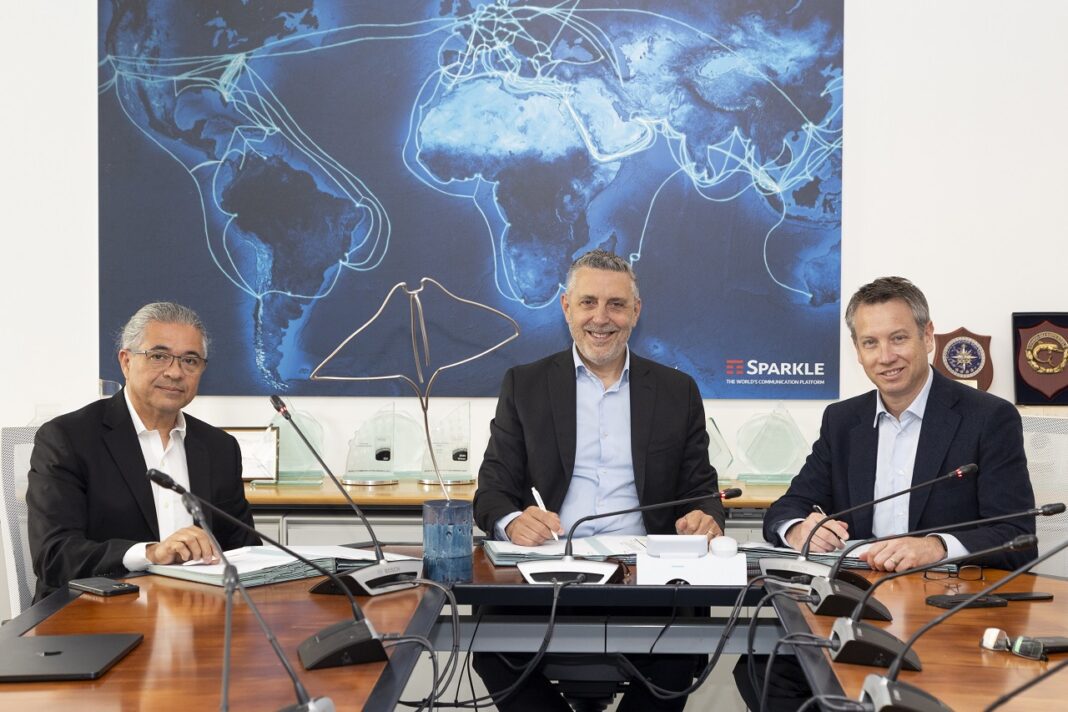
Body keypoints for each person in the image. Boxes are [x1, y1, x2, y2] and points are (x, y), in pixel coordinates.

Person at [735, 276, 1036, 711]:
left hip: (947, 612)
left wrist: (935, 547)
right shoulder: (843, 421)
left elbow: (1017, 536)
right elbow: (787, 507)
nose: (886, 356)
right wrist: (799, 529)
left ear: (928, 337)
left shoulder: (988, 418)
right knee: (761, 669)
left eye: (898, 338)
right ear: (857, 351)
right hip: (857, 607)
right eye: (870, 343)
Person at [472, 249, 725, 711]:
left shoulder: (677, 391)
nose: (601, 318)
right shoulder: (524, 385)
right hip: (545, 576)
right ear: (566, 307)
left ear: (636, 311)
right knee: (493, 650)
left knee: (679, 653)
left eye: (616, 305)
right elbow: (492, 492)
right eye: (588, 302)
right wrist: (512, 522)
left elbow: (702, 492)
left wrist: (704, 517)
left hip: (646, 582)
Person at [27, 302, 260, 600]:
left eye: (190, 360)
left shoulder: (220, 447)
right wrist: (149, 553)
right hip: (95, 611)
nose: (175, 372)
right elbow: (54, 555)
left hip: (196, 611)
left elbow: (244, 549)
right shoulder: (67, 438)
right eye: (159, 356)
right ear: (126, 361)